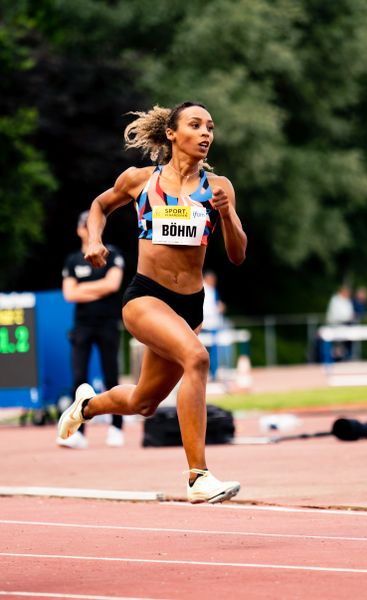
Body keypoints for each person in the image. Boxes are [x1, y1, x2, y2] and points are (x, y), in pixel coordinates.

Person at [57, 101, 247, 503]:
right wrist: (94, 240)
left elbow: (237, 255)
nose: (205, 133)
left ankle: (87, 406)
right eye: (195, 125)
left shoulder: (219, 188)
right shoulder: (141, 180)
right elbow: (99, 206)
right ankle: (198, 477)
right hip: (146, 296)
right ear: (172, 134)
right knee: (197, 359)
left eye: (210, 127)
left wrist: (227, 217)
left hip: (189, 305)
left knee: (144, 402)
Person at [57, 210, 125, 449]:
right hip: (82, 326)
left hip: (107, 323)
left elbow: (113, 284)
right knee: (79, 378)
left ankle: (116, 427)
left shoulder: (113, 254)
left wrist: (84, 288)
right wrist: (100, 287)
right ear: (79, 230)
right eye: (85, 225)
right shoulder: (73, 260)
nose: (89, 229)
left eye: (92, 224)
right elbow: (69, 294)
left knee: (111, 376)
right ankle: (79, 432)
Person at [202, 270, 226, 380]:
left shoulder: (213, 291)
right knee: (202, 351)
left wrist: (219, 307)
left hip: (213, 325)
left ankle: (213, 373)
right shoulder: (202, 289)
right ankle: (204, 373)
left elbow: (215, 306)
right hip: (204, 325)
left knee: (214, 352)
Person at [325, 284, 355, 361]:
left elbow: (350, 313)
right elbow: (336, 315)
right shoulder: (335, 300)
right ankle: (336, 358)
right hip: (336, 325)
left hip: (346, 325)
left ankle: (344, 356)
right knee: (337, 345)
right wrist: (348, 317)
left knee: (347, 343)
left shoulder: (347, 301)